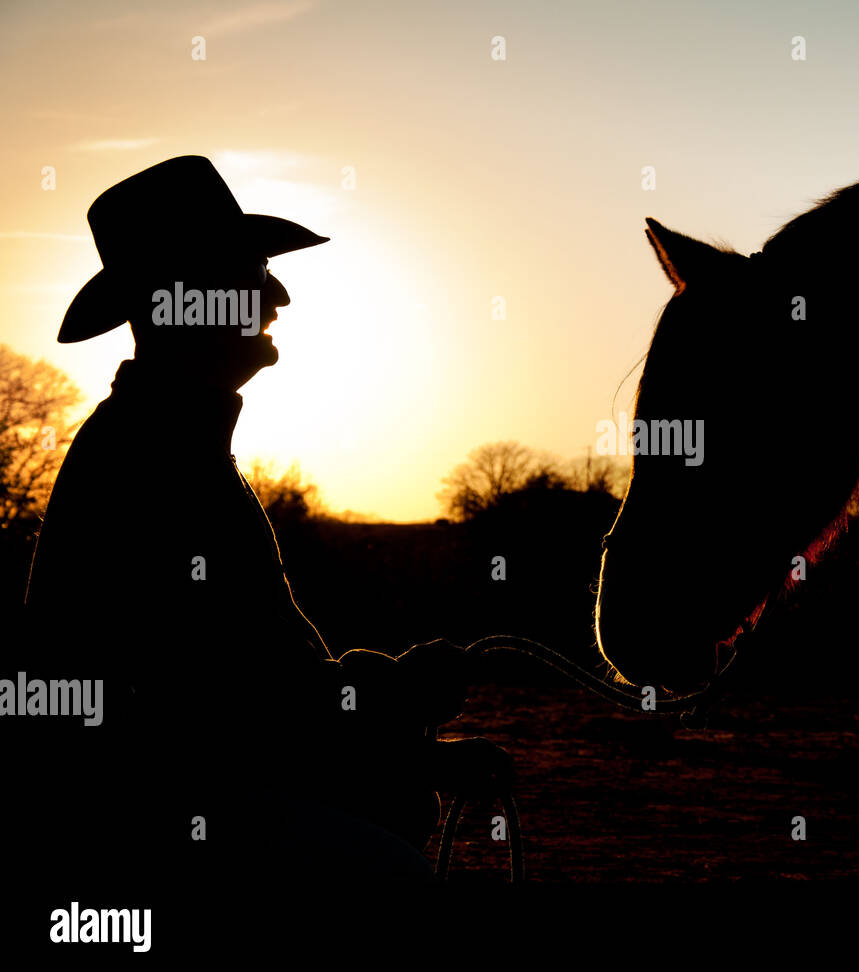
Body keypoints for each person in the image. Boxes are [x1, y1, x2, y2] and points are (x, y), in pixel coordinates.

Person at [17, 157, 506, 924]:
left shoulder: (161, 443)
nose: (278, 294)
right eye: (253, 270)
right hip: (142, 819)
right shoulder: (156, 458)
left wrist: (409, 738)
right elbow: (234, 705)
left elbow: (241, 695)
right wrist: (405, 699)